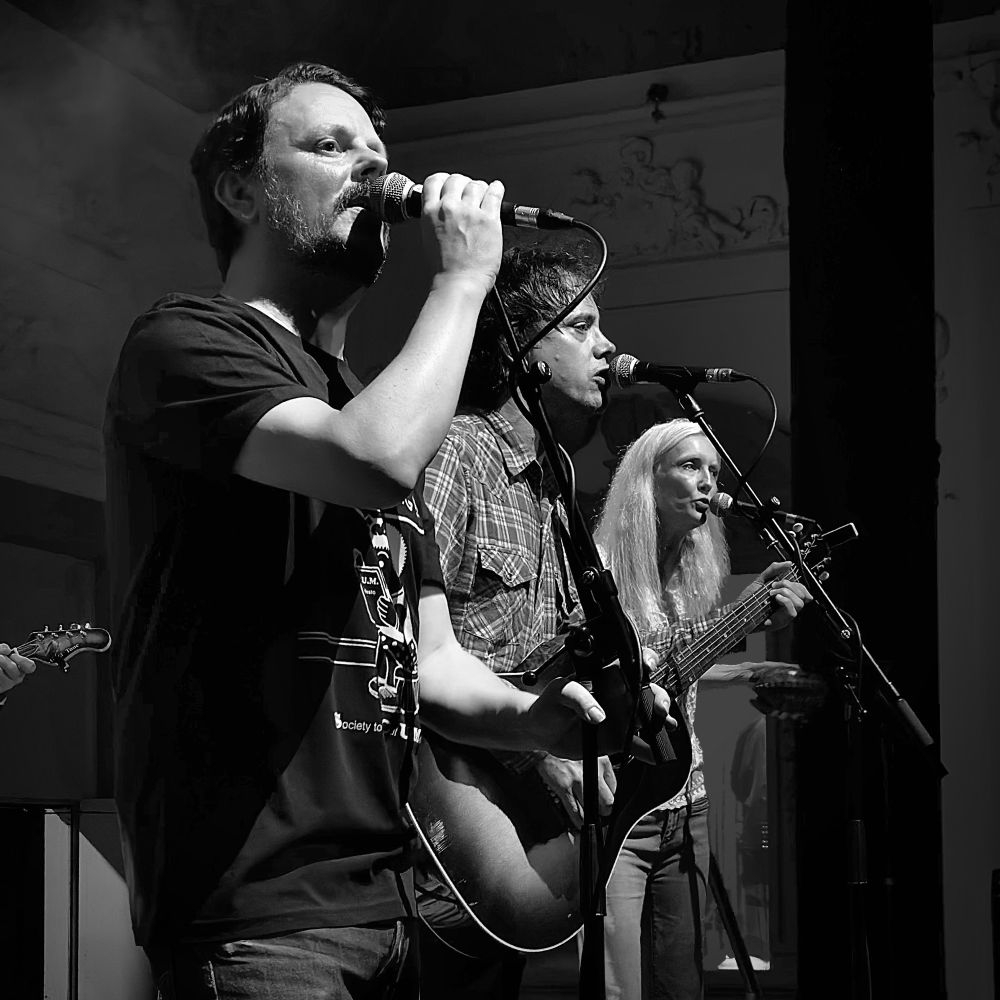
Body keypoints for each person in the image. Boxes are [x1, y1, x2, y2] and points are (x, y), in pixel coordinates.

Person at [104, 62, 632, 1000]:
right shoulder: (185, 341)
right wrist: (463, 282)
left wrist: (536, 719)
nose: (369, 170)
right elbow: (369, 459)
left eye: (377, 153)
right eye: (328, 145)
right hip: (262, 905)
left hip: (394, 900)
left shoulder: (371, 398)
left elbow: (424, 660)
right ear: (239, 188)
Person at [592, 418, 811, 999]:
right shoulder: (600, 569)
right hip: (624, 810)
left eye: (713, 471)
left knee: (682, 984)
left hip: (689, 803)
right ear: (647, 479)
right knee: (619, 988)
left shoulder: (691, 573)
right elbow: (621, 686)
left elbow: (674, 668)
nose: (707, 483)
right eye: (690, 467)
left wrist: (743, 659)